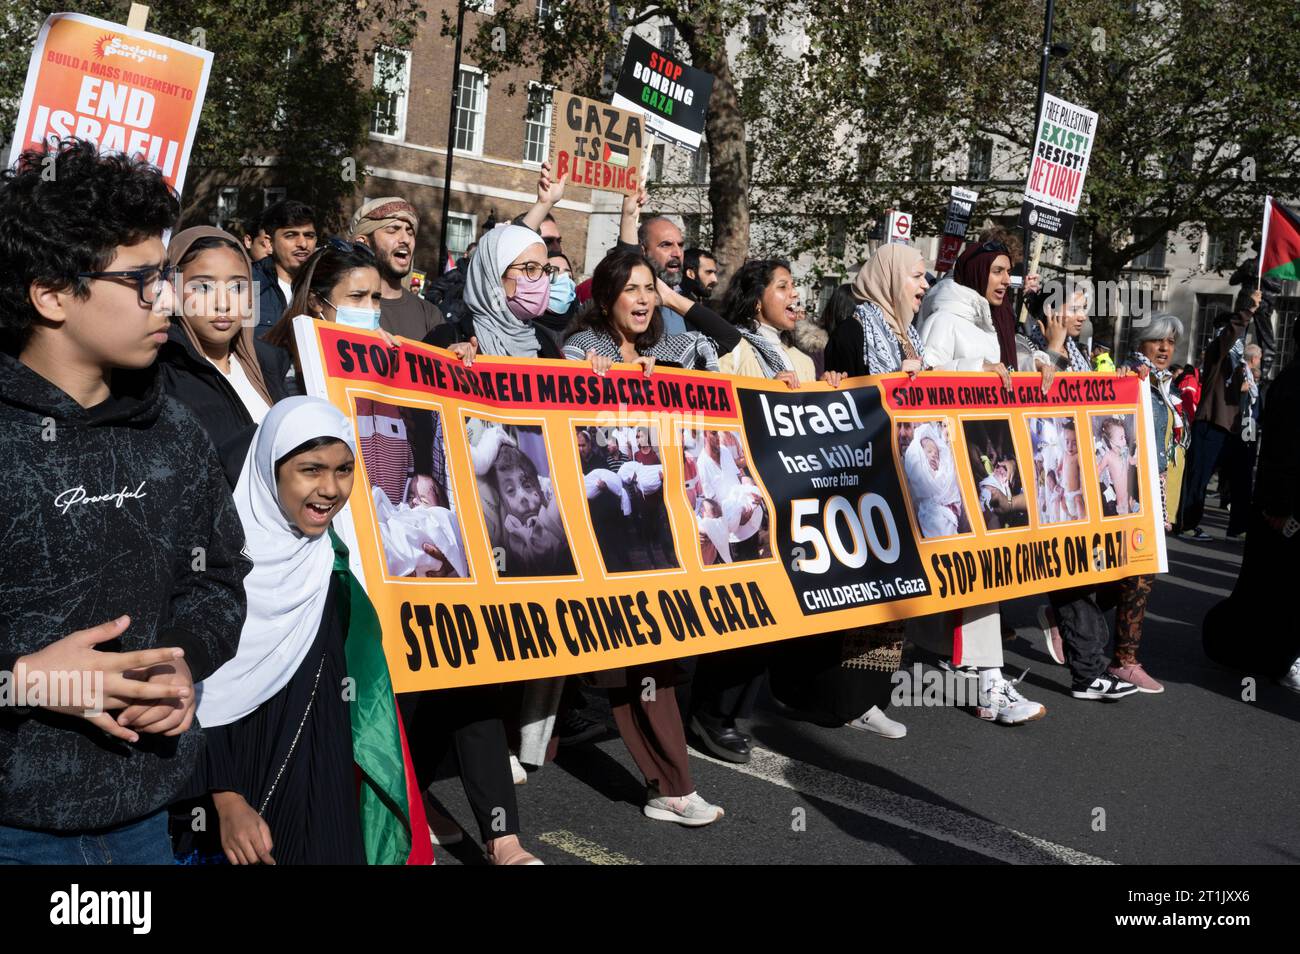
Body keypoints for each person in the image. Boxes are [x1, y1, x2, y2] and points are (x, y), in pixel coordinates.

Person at [0, 138, 249, 864]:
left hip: (158, 819)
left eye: (166, 275)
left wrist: (185, 663)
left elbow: (220, 579)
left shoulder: (173, 425)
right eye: (141, 279)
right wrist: (19, 683)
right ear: (50, 293)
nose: (168, 298)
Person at [185, 397, 431, 865]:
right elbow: (198, 694)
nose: (331, 488)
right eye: (310, 470)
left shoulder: (327, 563)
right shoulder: (216, 571)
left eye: (344, 470)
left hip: (321, 780)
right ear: (269, 471)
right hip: (237, 792)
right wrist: (226, 800)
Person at [912, 239, 1051, 725]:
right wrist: (975, 369)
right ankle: (984, 682)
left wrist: (1031, 366)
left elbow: (999, 377)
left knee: (984, 570)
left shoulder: (990, 320)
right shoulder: (947, 316)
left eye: (1008, 272)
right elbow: (918, 378)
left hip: (983, 461)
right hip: (950, 466)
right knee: (975, 571)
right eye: (995, 270)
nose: (1003, 280)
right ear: (973, 271)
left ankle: (983, 677)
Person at [1203, 352, 1300, 691]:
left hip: (1284, 502)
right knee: (1276, 587)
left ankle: (1275, 655)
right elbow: (1283, 450)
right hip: (1283, 506)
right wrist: (1279, 504)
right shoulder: (1293, 382)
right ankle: (1277, 658)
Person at [156, 226, 290, 450]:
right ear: (173, 287)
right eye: (203, 287)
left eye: (237, 287)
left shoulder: (268, 363)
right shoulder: (159, 375)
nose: (223, 303)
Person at [1177, 288, 1260, 540]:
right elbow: (1229, 337)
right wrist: (1249, 310)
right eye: (1234, 331)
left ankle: (1239, 527)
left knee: (1242, 479)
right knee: (1198, 479)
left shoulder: (1240, 365)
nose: (1238, 338)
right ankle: (1187, 524)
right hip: (1211, 424)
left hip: (1234, 428)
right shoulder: (1216, 352)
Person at [825, 244, 928, 378]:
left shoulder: (908, 334)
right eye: (917, 276)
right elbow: (843, 396)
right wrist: (895, 379)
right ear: (891, 280)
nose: (926, 284)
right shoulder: (851, 333)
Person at [350, 197, 445, 341]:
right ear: (363, 242)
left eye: (410, 232)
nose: (405, 239)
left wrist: (456, 354)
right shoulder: (346, 306)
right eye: (392, 230)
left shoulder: (430, 315)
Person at [252, 199, 317, 337]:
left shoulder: (325, 286)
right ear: (269, 244)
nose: (303, 244)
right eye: (291, 235)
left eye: (309, 236)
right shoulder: (248, 285)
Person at [1224, 343, 1262, 540]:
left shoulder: (1247, 373)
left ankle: (1238, 525)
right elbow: (1236, 394)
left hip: (1249, 426)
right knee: (1242, 477)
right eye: (1259, 358)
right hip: (1244, 427)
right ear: (1254, 359)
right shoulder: (1240, 371)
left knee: (1244, 478)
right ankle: (1237, 527)